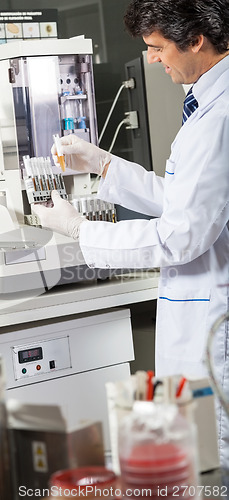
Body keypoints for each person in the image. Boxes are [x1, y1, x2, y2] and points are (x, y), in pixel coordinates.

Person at [33, 0, 229, 468]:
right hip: (205, 307)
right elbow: (191, 204)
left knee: (214, 461)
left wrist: (82, 230)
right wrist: (105, 164)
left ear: (196, 39)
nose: (152, 59)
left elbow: (180, 237)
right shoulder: (210, 106)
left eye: (157, 47)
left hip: (215, 322)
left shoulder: (219, 118)